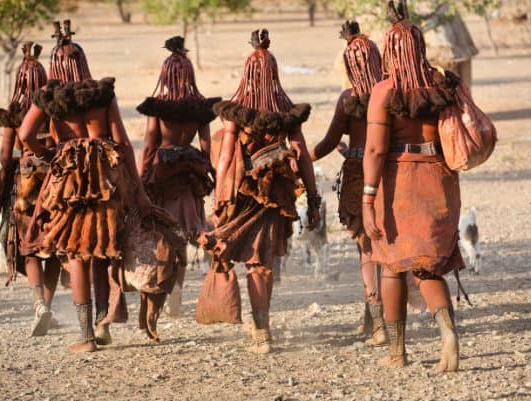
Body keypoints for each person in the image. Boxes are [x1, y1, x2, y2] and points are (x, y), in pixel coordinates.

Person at [19, 20, 152, 353]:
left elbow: (24, 136)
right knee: (103, 247)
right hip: (104, 177)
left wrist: (50, 154)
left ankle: (86, 337)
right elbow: (121, 142)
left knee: (76, 253)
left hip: (68, 181)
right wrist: (136, 188)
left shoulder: (47, 96)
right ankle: (103, 322)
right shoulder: (102, 94)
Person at [201, 29, 321, 354]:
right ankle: (261, 327)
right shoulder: (286, 112)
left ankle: (262, 331)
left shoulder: (236, 111)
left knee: (254, 262)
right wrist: (313, 198)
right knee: (263, 261)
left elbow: (226, 159)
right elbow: (304, 157)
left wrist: (219, 202)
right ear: (274, 73)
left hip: (243, 194)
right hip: (277, 193)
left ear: (247, 73)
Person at [362, 1, 464, 372]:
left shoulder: (385, 90)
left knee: (391, 265)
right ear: (420, 48)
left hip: (398, 180)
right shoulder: (440, 84)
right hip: (440, 179)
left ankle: (397, 353)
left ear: (389, 50)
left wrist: (368, 199)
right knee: (428, 267)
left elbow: (374, 148)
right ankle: (448, 333)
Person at [310, 21, 386, 346]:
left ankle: (380, 324)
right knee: (386, 248)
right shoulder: (393, 94)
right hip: (390, 172)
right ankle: (373, 319)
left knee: (366, 249)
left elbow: (327, 143)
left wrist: (300, 159)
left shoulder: (348, 99)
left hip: (358, 175)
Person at [137, 36, 220, 317]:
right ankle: (178, 289)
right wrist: (207, 171)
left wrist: (141, 175)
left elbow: (149, 144)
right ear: (189, 74)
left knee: (163, 232)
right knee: (185, 232)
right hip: (189, 171)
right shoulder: (200, 108)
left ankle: (162, 285)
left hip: (162, 172)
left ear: (165, 74)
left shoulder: (158, 107)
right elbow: (206, 145)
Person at [0, 41, 62, 337]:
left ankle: (39, 305)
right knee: (56, 246)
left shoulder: (14, 114)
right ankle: (47, 304)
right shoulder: (56, 110)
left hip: (25, 188)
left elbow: (6, 159)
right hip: (56, 185)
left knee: (29, 247)